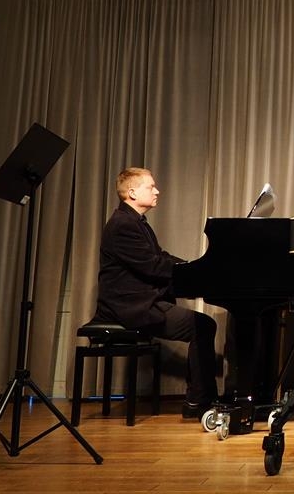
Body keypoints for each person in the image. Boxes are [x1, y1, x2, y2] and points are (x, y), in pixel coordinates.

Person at [94, 167, 219, 419]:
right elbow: (153, 266)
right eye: (151, 187)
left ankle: (201, 397)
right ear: (131, 193)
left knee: (203, 325)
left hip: (139, 301)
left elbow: (160, 257)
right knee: (202, 326)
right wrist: (194, 272)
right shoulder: (122, 225)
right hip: (128, 306)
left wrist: (194, 268)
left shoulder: (134, 222)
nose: (157, 191)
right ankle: (198, 401)